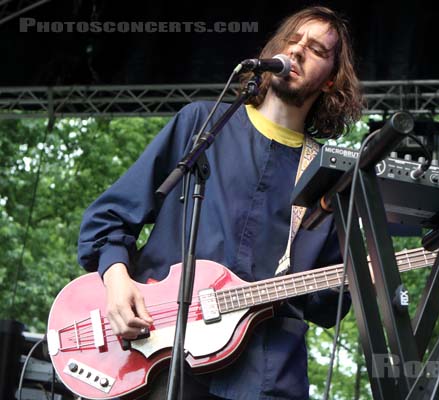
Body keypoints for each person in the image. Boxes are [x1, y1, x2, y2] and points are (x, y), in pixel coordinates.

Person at [78, 6, 363, 400]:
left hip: (264, 376)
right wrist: (116, 280)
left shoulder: (329, 175)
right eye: (291, 40)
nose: (297, 52)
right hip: (159, 354)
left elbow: (328, 304)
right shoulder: (202, 125)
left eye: (315, 49)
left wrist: (366, 275)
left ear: (331, 81)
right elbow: (110, 217)